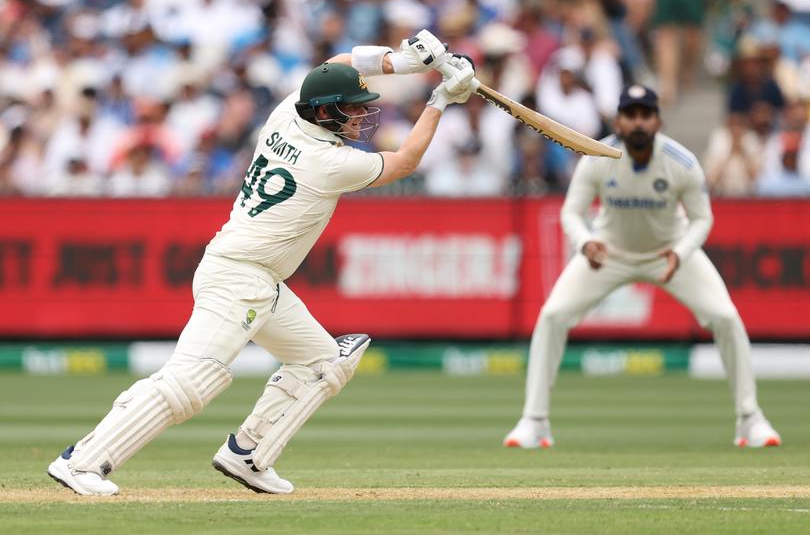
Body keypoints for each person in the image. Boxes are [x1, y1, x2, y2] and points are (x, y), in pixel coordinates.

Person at [47, 30, 476, 496]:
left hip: (258, 279)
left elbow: (337, 61)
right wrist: (440, 98)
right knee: (194, 378)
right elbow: (406, 161)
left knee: (322, 362)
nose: (360, 114)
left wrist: (406, 63)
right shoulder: (330, 162)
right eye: (351, 108)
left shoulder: (286, 113)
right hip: (239, 276)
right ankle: (83, 461)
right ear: (326, 111)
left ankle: (248, 453)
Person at [503, 84, 782, 450]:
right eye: (630, 115)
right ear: (618, 120)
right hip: (609, 254)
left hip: (669, 253)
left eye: (645, 115)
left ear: (658, 121)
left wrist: (681, 253)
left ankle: (751, 419)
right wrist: (585, 242)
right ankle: (534, 421)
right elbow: (571, 212)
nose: (637, 123)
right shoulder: (596, 157)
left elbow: (702, 219)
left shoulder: (682, 162)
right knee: (552, 315)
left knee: (727, 318)